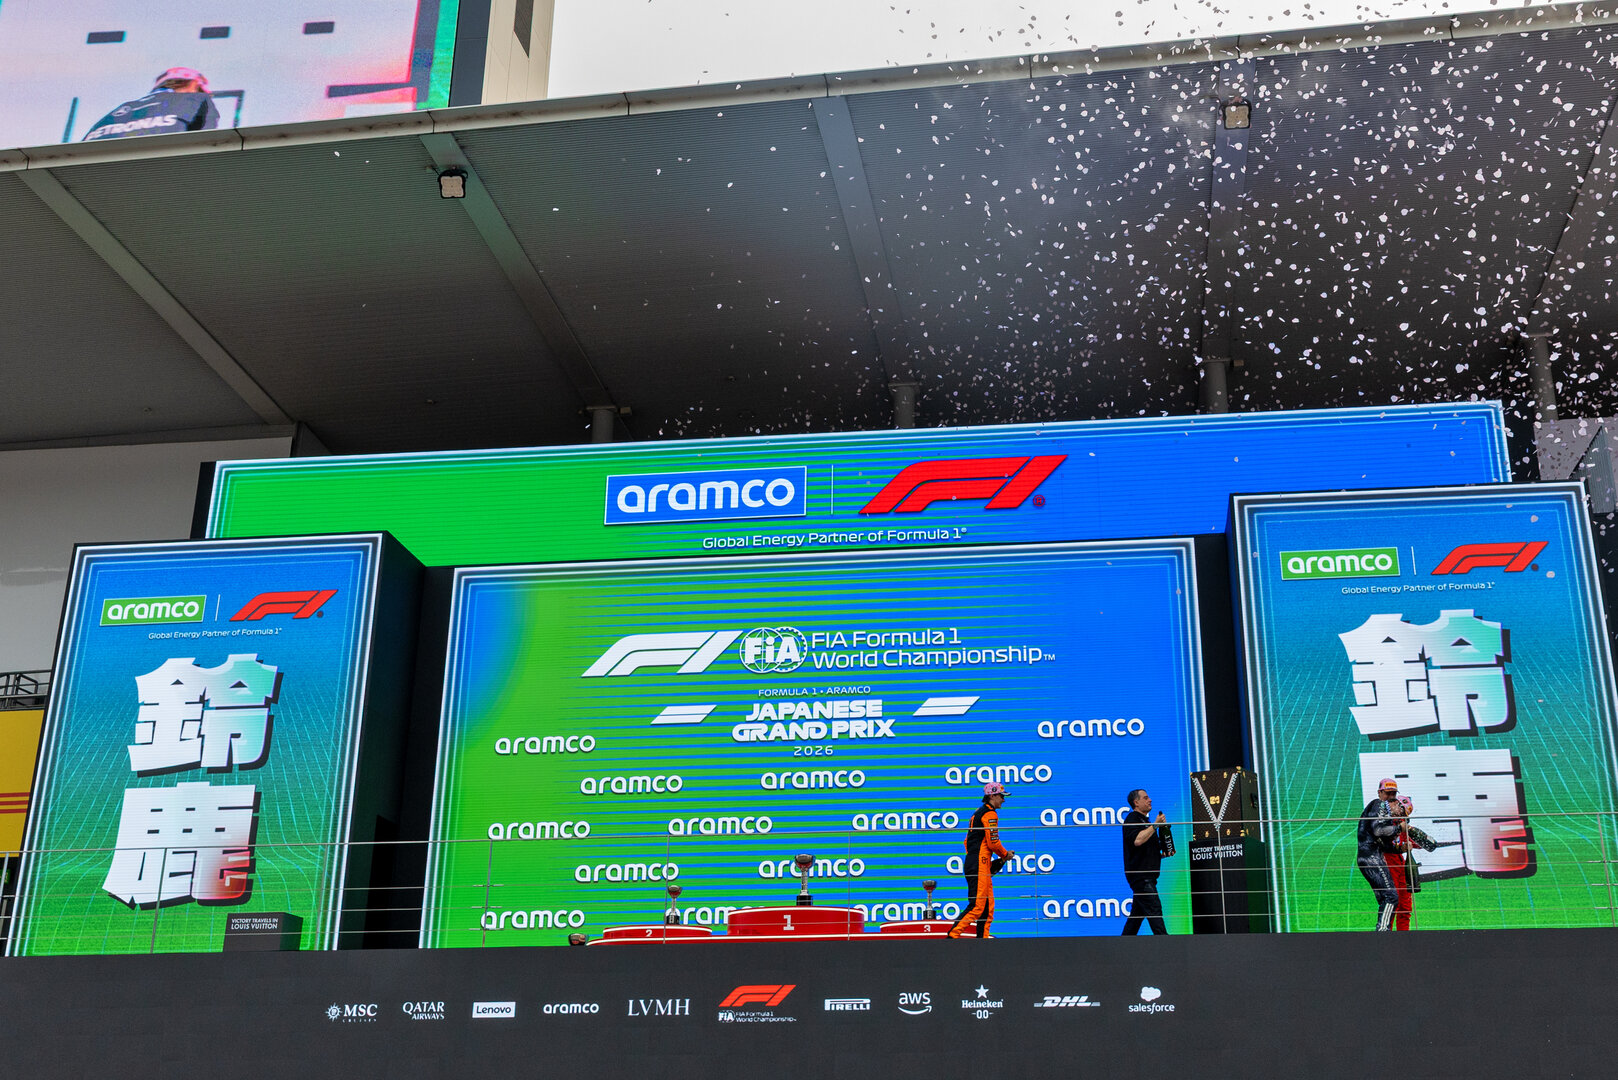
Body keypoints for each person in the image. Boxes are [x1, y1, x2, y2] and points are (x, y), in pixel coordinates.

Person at [947, 781, 1015, 939]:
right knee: (977, 906)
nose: (1003, 800)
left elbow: (967, 842)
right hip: (979, 864)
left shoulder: (977, 813)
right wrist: (1005, 855)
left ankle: (983, 942)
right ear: (992, 796)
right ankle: (951, 937)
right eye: (1001, 796)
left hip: (976, 861)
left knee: (987, 907)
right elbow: (993, 842)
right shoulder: (990, 814)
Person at [82, 68, 220, 143]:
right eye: (201, 90)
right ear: (193, 84)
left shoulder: (120, 110)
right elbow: (208, 143)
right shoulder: (197, 100)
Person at [1357, 778, 1407, 931]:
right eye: (1388, 793)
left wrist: (1401, 848)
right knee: (1391, 897)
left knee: (1386, 898)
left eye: (1393, 794)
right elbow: (1378, 831)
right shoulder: (1378, 804)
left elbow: (1384, 843)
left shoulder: (1385, 815)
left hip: (1370, 857)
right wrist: (1399, 828)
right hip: (1371, 857)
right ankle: (1383, 930)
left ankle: (1383, 930)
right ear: (1379, 793)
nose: (1391, 797)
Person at [1121, 788, 1173, 935]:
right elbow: (1137, 840)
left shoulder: (1146, 822)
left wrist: (1163, 854)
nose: (1150, 800)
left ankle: (1122, 944)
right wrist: (1155, 825)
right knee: (1154, 909)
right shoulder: (1132, 819)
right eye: (1145, 798)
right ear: (1136, 802)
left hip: (1148, 877)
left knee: (1135, 918)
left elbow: (1147, 851)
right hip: (1141, 878)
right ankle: (1166, 943)